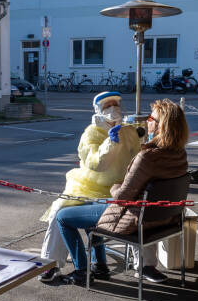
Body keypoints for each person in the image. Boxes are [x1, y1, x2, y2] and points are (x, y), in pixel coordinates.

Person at [54, 98, 189, 285]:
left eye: (151, 118)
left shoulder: (147, 157)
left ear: (160, 127)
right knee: (89, 206)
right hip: (165, 219)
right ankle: (100, 265)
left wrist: (114, 186)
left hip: (131, 218)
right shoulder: (180, 153)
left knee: (63, 216)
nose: (147, 121)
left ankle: (81, 272)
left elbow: (122, 197)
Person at [38, 91, 141, 283]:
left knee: (71, 218)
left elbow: (137, 159)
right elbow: (96, 164)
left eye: (115, 104)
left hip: (115, 191)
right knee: (58, 210)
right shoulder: (91, 133)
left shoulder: (129, 131)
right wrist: (110, 142)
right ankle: (51, 264)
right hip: (88, 186)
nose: (113, 109)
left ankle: (95, 266)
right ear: (98, 110)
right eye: (107, 106)